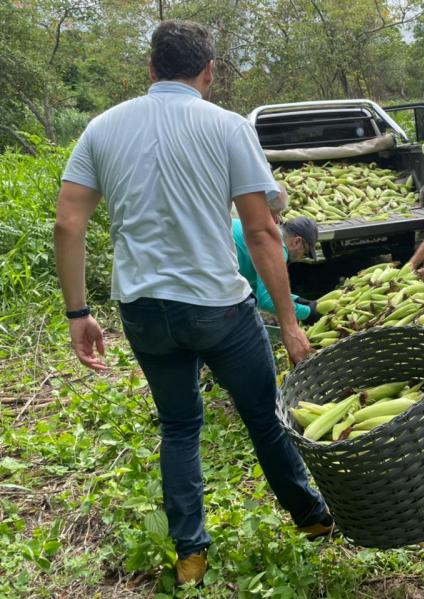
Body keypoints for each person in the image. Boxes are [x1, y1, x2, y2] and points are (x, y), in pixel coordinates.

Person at [53, 20, 331, 587]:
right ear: (208, 72)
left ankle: (191, 555)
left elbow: (67, 223)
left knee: (180, 427)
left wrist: (78, 314)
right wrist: (288, 321)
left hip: (144, 310)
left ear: (151, 69)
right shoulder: (227, 126)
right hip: (218, 309)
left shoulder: (102, 128)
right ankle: (311, 519)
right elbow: (261, 232)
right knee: (264, 418)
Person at [233, 216, 323, 324]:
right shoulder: (276, 247)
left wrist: (295, 299)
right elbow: (267, 300)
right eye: (305, 253)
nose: (300, 258)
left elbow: (256, 290)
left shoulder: (268, 231)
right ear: (297, 242)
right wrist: (308, 313)